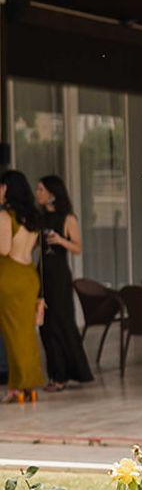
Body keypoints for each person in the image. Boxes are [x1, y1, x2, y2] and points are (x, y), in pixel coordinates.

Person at [34, 176, 93, 390]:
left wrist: (60, 240)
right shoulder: (39, 218)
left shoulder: (67, 218)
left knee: (61, 322)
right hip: (42, 274)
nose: (37, 193)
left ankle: (66, 374)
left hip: (59, 275)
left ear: (52, 193)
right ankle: (55, 374)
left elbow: (78, 248)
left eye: (41, 189)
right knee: (46, 326)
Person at [0, 170, 44, 401]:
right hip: (28, 274)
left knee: (12, 333)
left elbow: (4, 249)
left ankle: (17, 386)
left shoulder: (7, 216)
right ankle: (29, 385)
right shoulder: (33, 216)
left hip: (10, 275)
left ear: (7, 189)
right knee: (26, 332)